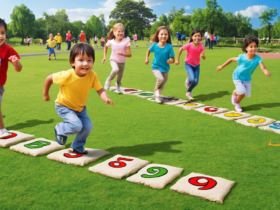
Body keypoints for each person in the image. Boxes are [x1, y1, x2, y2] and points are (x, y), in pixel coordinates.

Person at [43, 43, 114, 154]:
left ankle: (77, 146)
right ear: (72, 62)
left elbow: (100, 89)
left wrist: (106, 98)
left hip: (80, 108)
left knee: (88, 127)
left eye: (89, 60)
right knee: (76, 125)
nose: (86, 64)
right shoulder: (67, 75)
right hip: (64, 106)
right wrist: (45, 94)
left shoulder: (92, 75)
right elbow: (49, 79)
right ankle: (60, 129)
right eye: (81, 60)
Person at [217, 36, 271, 112]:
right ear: (246, 48)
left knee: (246, 94)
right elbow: (231, 59)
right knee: (242, 93)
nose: (253, 48)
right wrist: (221, 66)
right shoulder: (242, 57)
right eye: (251, 46)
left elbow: (263, 67)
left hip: (247, 78)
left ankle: (235, 93)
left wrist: (266, 72)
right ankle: (237, 103)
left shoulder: (258, 58)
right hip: (237, 76)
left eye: (255, 46)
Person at [0, 18, 22, 138]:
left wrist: (16, 63)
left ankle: (2, 130)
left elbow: (19, 68)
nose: (0, 36)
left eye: (3, 33)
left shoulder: (7, 49)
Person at [145, 26, 175, 104]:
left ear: (168, 36)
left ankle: (157, 94)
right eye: (161, 34)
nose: (163, 36)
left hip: (165, 68)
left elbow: (173, 59)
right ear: (158, 35)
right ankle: (157, 94)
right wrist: (147, 58)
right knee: (160, 79)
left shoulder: (169, 47)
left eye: (166, 34)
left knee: (163, 83)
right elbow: (148, 50)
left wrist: (170, 61)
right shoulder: (154, 45)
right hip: (156, 67)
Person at [175, 28, 205, 100]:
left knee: (196, 82)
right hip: (188, 64)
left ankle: (188, 92)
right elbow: (180, 49)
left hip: (197, 65)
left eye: (199, 36)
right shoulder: (189, 45)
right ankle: (188, 79)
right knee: (192, 79)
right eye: (195, 36)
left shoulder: (201, 45)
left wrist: (203, 56)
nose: (197, 37)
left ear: (201, 37)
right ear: (192, 37)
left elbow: (203, 55)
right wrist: (177, 59)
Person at [102, 23, 132, 93]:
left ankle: (118, 86)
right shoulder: (111, 41)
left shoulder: (126, 41)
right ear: (114, 32)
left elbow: (130, 54)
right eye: (118, 31)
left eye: (122, 31)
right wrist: (104, 57)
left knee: (119, 78)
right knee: (115, 69)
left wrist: (122, 54)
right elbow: (105, 47)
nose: (121, 33)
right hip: (113, 60)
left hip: (122, 62)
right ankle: (108, 80)